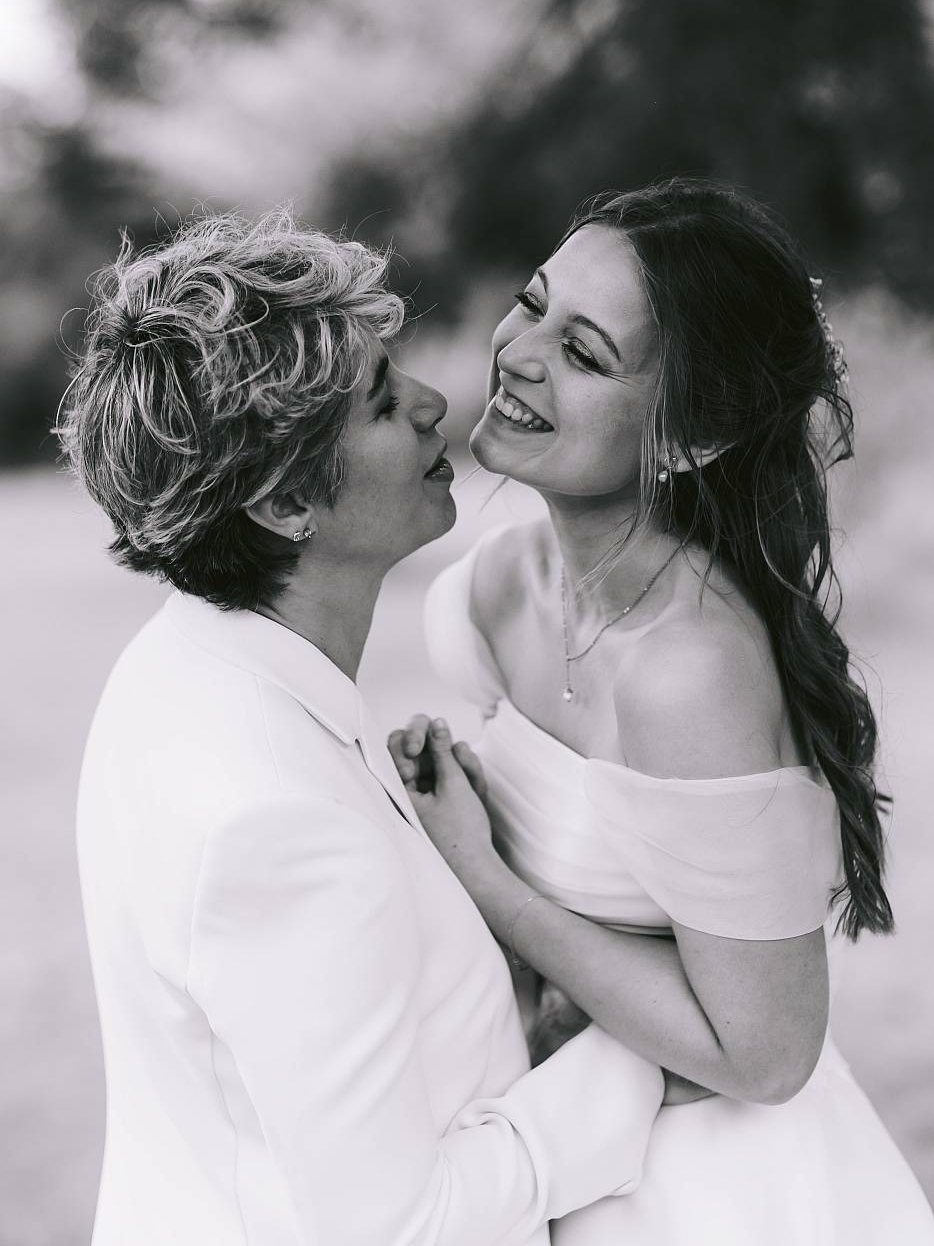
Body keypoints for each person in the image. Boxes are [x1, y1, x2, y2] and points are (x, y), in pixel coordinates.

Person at [57, 209, 671, 1246]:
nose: (437, 405)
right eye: (385, 405)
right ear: (287, 501)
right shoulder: (272, 816)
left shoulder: (186, 665)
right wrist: (633, 1058)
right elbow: (401, 1225)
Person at [391, 179, 934, 1242]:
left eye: (586, 353)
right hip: (571, 1147)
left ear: (687, 437)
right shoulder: (500, 582)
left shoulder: (690, 668)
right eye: (532, 300)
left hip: (719, 1191)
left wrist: (483, 874)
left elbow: (768, 1052)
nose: (519, 351)